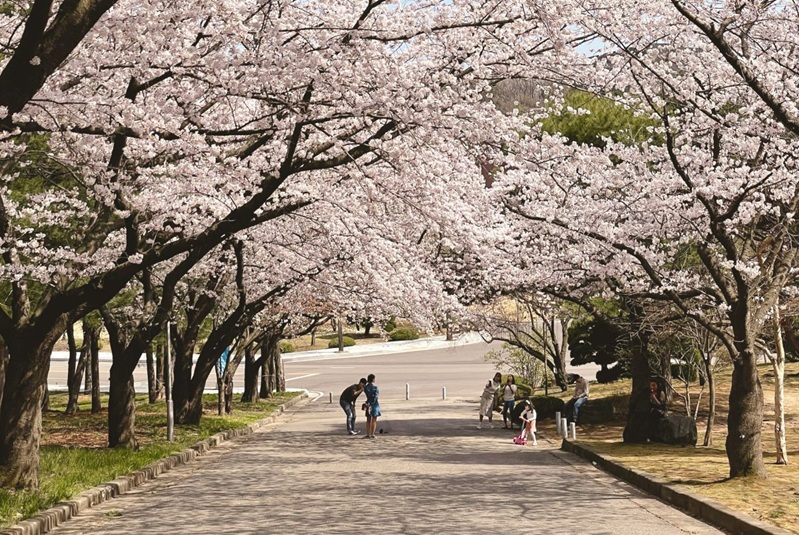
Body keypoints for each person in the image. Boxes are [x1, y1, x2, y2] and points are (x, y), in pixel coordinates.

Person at [363, 374, 381, 439]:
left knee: (368, 419)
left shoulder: (366, 387)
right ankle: (372, 434)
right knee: (374, 419)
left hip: (368, 403)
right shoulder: (375, 388)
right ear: (373, 379)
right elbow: (375, 397)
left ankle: (368, 434)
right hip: (374, 404)